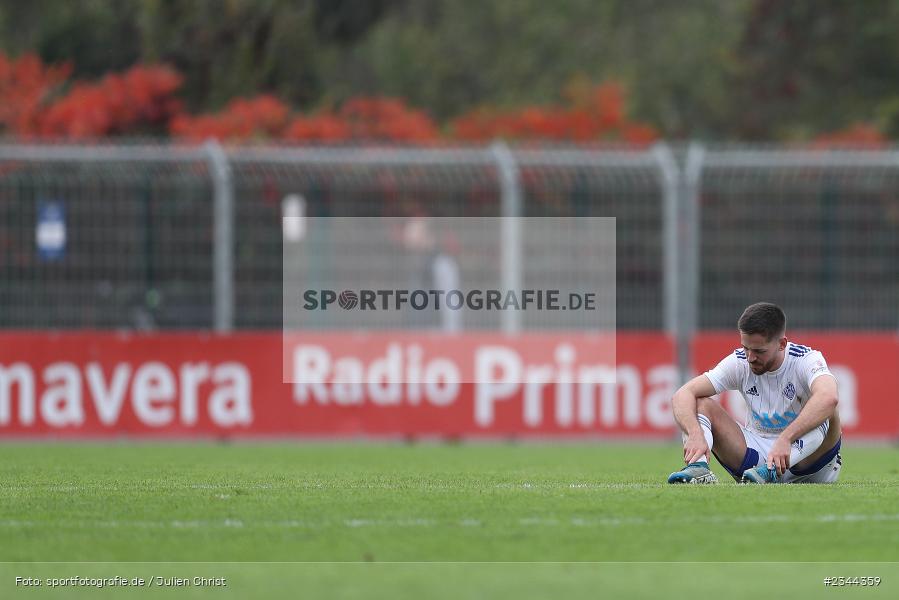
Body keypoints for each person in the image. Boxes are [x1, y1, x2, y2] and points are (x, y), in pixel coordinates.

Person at [667, 302, 842, 484]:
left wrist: (786, 438)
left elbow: (829, 397)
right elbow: (682, 394)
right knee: (699, 403)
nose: (750, 357)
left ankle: (772, 470)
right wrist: (695, 433)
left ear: (782, 344)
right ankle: (699, 469)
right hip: (755, 463)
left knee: (827, 410)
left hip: (808, 464)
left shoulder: (805, 359)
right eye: (746, 348)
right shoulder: (739, 361)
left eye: (759, 351)